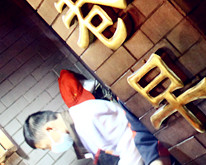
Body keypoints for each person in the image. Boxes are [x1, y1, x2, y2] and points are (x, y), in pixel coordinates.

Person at [24, 70, 170, 165]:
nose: (53, 149)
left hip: (154, 152)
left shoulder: (85, 117)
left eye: (48, 146)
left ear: (49, 129)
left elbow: (130, 141)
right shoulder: (78, 128)